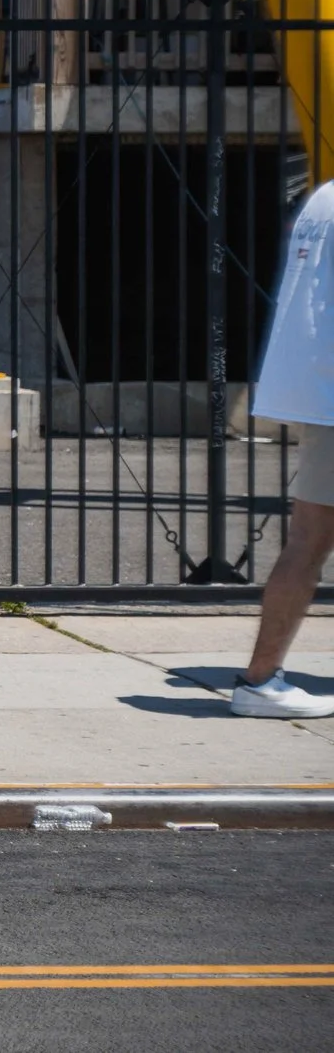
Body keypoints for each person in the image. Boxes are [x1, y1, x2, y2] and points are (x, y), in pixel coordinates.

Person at [235, 177, 334, 717]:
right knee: (310, 543)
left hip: (320, 390)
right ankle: (258, 681)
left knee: (309, 540)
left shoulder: (324, 197)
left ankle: (260, 679)